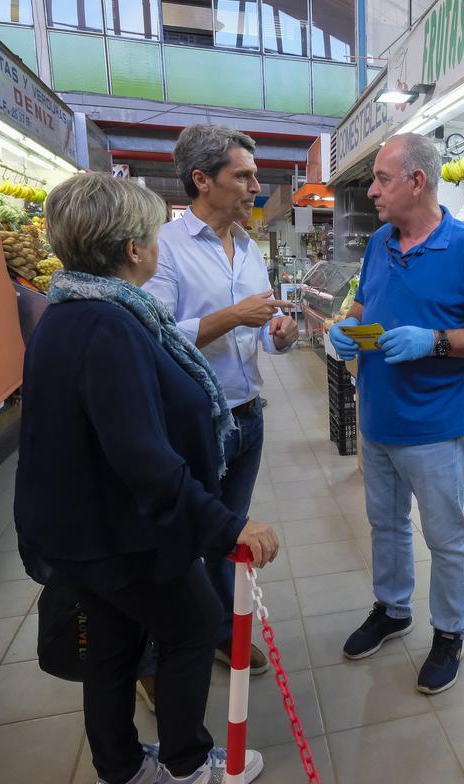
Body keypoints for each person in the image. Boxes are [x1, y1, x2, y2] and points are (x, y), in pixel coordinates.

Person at [15, 173, 277, 784]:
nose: (158, 243)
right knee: (189, 626)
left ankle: (124, 767)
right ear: (133, 250)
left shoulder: (68, 311)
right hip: (122, 533)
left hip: (87, 529)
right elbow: (142, 457)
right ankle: (188, 765)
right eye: (150, 234)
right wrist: (227, 526)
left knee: (115, 647)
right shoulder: (109, 326)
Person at [329, 134, 464, 694]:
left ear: (417, 181)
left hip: (434, 425)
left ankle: (450, 632)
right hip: (378, 417)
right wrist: (348, 329)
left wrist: (435, 342)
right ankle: (392, 609)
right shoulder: (380, 244)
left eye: (382, 179)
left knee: (444, 534)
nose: (372, 191)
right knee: (385, 524)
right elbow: (365, 306)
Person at [143, 124, 297, 691]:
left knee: (227, 536)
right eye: (244, 175)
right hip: (191, 426)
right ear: (202, 179)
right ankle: (156, 661)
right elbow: (152, 338)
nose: (256, 186)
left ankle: (216, 634)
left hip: (247, 416)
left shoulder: (251, 249)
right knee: (176, 544)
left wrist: (276, 334)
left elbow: (258, 336)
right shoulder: (163, 250)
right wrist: (235, 316)